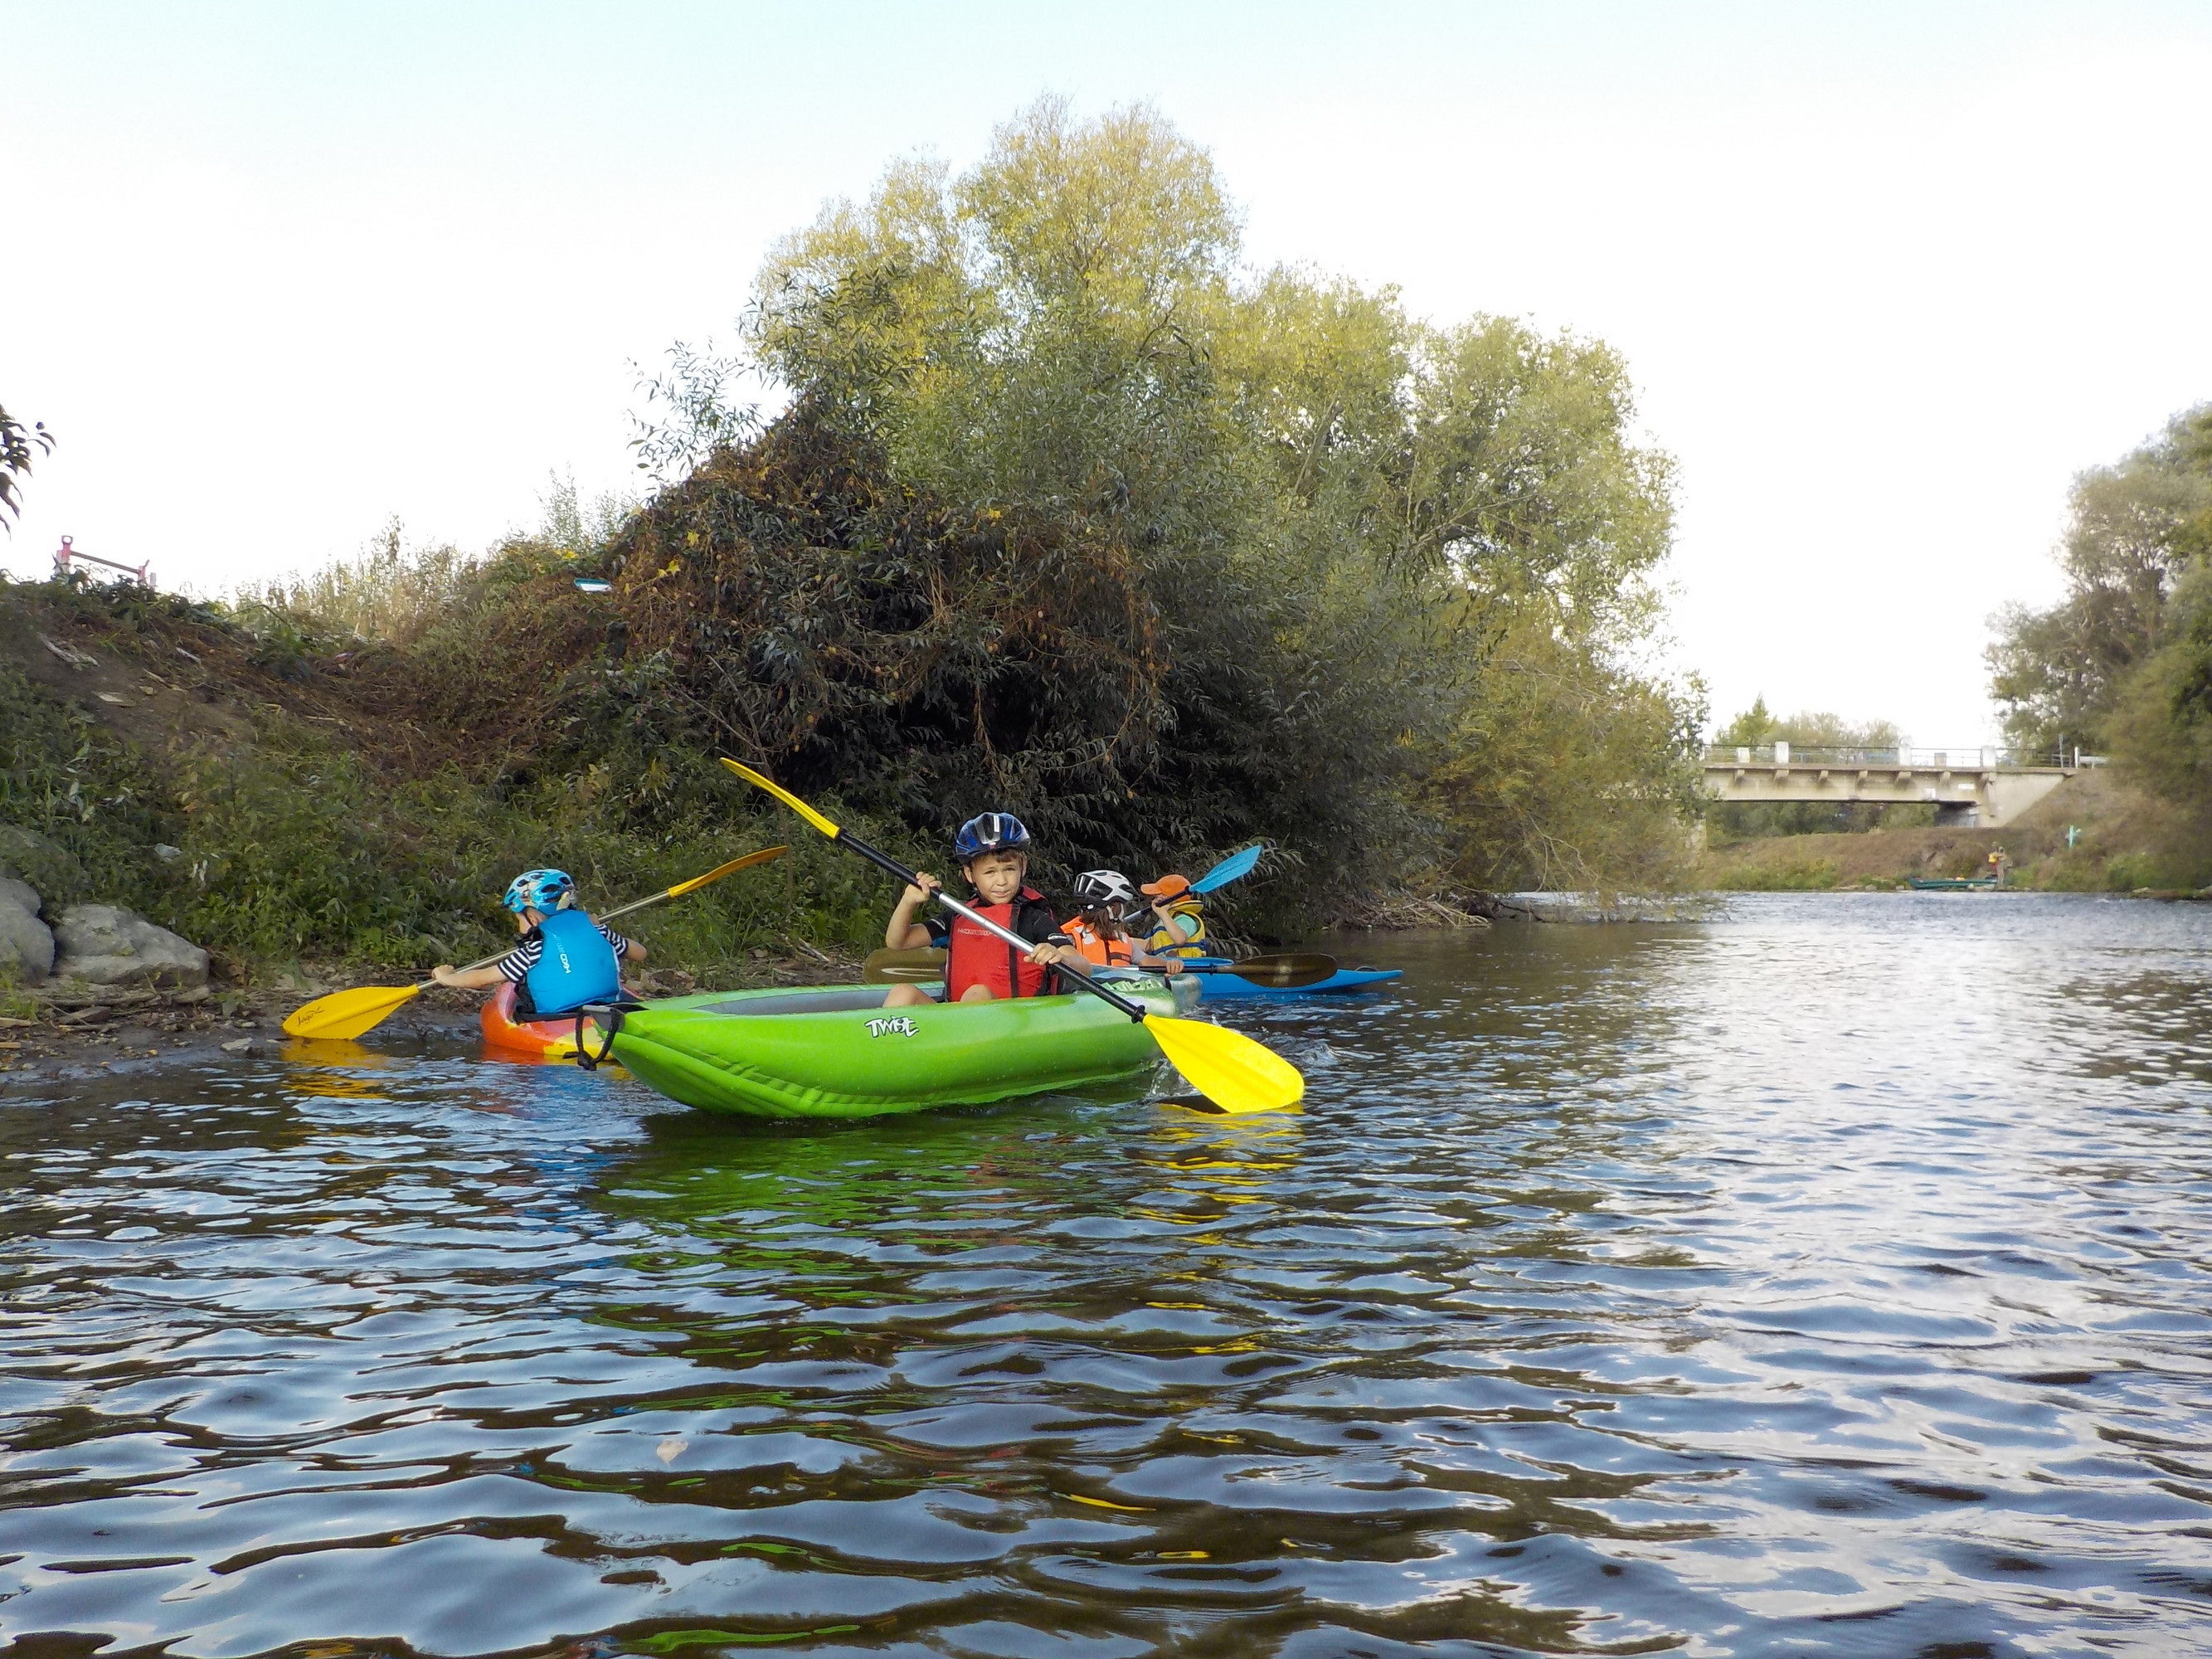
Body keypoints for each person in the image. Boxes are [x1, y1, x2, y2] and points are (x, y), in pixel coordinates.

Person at [881, 812, 1090, 1008]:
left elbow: (1083, 966)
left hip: (1016, 1020)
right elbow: (898, 942)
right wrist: (908, 901)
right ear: (969, 874)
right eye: (990, 872)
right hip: (958, 1018)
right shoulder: (959, 915)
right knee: (902, 993)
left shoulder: (1033, 918)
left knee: (977, 993)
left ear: (1023, 866)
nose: (1002, 881)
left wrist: (1059, 957)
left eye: (1009, 869)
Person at [431, 868, 646, 1019]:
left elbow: (482, 978)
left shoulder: (534, 950)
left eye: (519, 919)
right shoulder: (600, 932)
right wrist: (602, 930)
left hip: (558, 1020)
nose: (519, 925)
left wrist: (447, 978)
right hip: (609, 1012)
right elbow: (640, 954)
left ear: (533, 919)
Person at [1062, 869, 1185, 975]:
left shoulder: (1121, 938)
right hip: (1088, 993)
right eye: (1120, 905)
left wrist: (1168, 964)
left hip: (1118, 993)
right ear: (1111, 908)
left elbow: (1147, 960)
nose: (1123, 911)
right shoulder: (1071, 938)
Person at [1140, 872, 1210, 960]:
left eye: (1158, 896)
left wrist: (1163, 913)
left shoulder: (1185, 919)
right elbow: (1147, 945)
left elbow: (1180, 940)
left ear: (1168, 899)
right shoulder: (1168, 921)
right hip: (1167, 966)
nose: (1155, 899)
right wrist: (1123, 938)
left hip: (1186, 967)